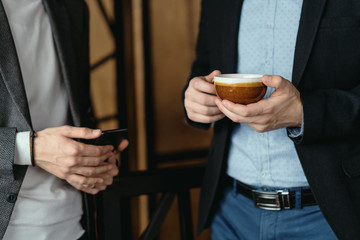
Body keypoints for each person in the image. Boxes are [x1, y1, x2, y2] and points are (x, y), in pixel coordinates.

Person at [183, 0, 360, 239]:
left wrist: (305, 113)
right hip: (231, 213)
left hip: (328, 216)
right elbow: (203, 68)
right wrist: (195, 100)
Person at [0, 0, 128, 239]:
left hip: (73, 224)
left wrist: (95, 162)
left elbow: (77, 112)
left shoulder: (72, 7)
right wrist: (31, 148)